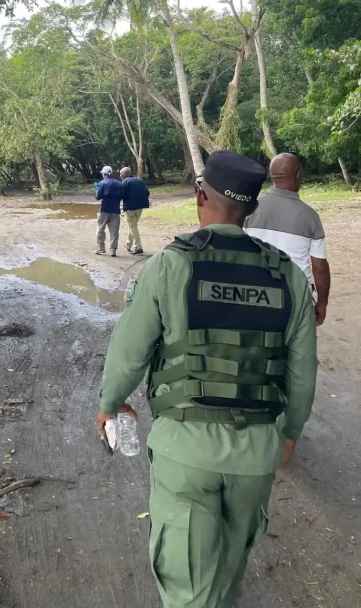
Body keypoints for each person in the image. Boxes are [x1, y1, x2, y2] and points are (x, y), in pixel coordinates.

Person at [97, 150, 317, 608]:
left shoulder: (171, 264)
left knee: (187, 587)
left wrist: (110, 402)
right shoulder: (287, 276)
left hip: (185, 450)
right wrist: (290, 432)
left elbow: (130, 349)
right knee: (227, 574)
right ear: (252, 209)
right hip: (256, 454)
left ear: (201, 196)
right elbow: (302, 369)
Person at [245, 152, 331, 326]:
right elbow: (320, 267)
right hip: (296, 296)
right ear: (298, 175)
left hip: (254, 295)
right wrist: (322, 302)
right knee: (298, 350)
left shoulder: (250, 208)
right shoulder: (309, 216)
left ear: (272, 175)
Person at [119, 166, 150, 255]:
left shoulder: (125, 182)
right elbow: (147, 193)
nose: (120, 175)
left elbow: (121, 195)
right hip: (140, 208)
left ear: (125, 174)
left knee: (133, 227)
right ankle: (128, 245)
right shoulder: (139, 180)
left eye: (121, 173)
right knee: (133, 226)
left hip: (130, 208)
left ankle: (138, 248)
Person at [95, 165, 122, 257]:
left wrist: (97, 188)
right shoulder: (119, 183)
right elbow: (122, 196)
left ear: (104, 174)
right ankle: (113, 250)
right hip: (115, 210)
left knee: (100, 229)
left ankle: (101, 248)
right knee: (114, 232)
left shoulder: (102, 183)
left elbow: (97, 197)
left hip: (104, 210)